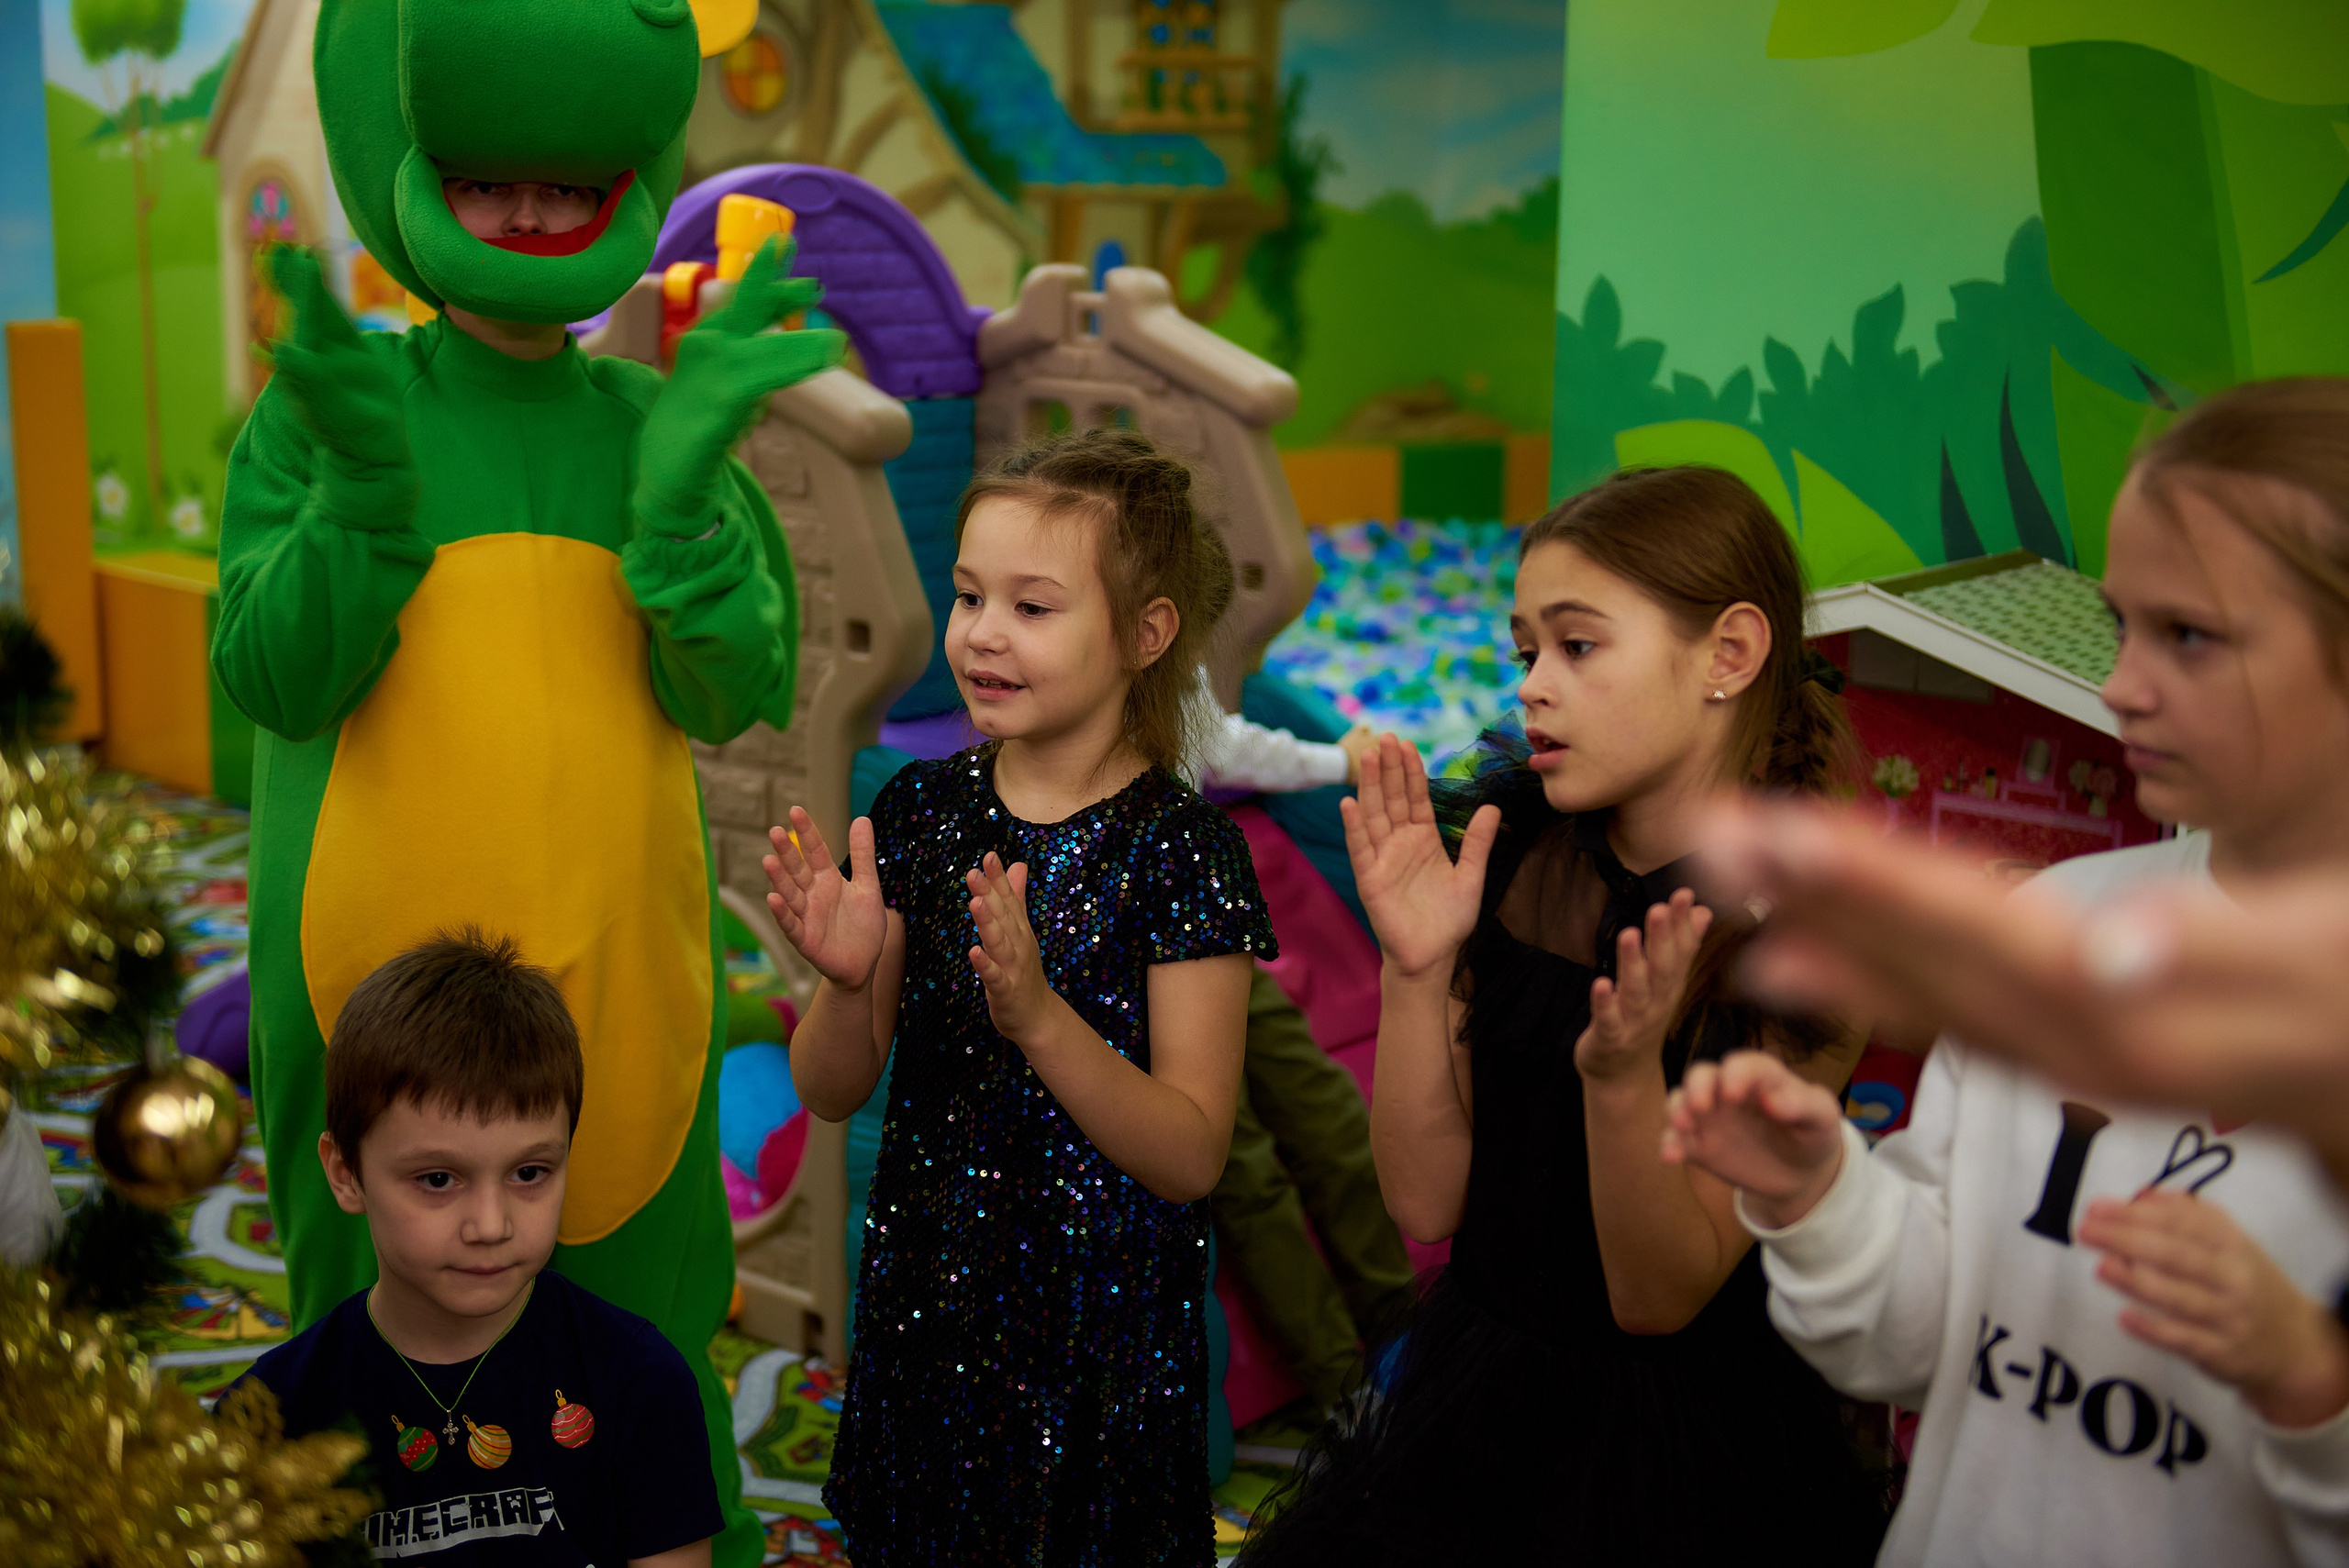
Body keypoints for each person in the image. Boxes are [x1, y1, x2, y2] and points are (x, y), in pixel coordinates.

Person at [211, 7, 841, 1563]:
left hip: (614, 972)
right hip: (365, 972)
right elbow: (275, 678)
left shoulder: (650, 423)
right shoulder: (327, 407)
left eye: (566, 180)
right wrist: (362, 503)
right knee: (369, 1335)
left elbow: (735, 681)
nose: (535, 207)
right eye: (492, 177)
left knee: (634, 1333)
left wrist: (689, 501)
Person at [1664, 377, 2349, 1566]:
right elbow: (1917, 1343)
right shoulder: (2061, 923)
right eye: (2124, 623)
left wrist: (2307, 1380)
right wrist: (1820, 1196)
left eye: (2191, 635)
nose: (2125, 685)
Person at [1241, 466, 1886, 1566]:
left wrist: (1623, 1073)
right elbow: (1427, 1198)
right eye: (1524, 649)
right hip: (1479, 1392)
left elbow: (1656, 1295)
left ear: (1728, 654)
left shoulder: (1813, 938)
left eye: (1577, 647)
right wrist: (1414, 965)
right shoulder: (1519, 850)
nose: (1533, 684)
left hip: (1678, 1445)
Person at [761, 428, 1276, 1564]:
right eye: (967, 596)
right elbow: (832, 1089)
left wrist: (1042, 1020)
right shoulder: (917, 812)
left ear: (1145, 633)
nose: (982, 633)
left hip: (1101, 1347)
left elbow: (1190, 1155)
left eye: (1033, 607)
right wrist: (843, 985)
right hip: (930, 1317)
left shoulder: (1182, 855)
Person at [233, 929, 721, 1568]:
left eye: (529, 1173)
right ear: (346, 1171)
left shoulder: (640, 1382)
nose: (491, 1224)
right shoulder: (273, 1414)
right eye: (438, 1179)